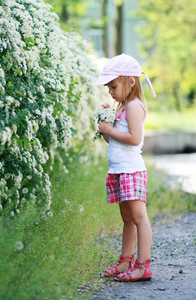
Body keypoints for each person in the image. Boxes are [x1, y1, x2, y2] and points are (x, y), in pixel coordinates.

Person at [95, 53, 156, 282]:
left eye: (113, 86)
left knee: (139, 217)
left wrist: (110, 130)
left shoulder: (133, 107)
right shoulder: (121, 107)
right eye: (108, 87)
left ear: (130, 81)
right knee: (127, 218)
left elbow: (134, 139)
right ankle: (125, 261)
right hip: (119, 170)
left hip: (131, 170)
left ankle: (143, 266)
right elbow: (113, 141)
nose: (110, 92)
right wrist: (106, 126)